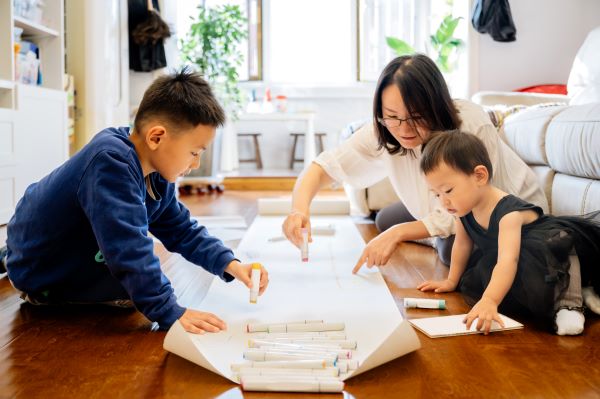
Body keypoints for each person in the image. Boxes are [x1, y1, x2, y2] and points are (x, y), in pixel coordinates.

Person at [0, 70, 269, 334]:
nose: (195, 164)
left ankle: (9, 255)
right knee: (133, 286)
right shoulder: (111, 162)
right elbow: (129, 249)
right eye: (193, 153)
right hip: (39, 269)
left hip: (56, 244)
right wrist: (170, 311)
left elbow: (180, 229)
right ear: (156, 137)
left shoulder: (155, 171)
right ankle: (14, 261)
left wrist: (231, 264)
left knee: (136, 287)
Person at [282, 54, 548, 270]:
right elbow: (323, 167)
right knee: (386, 219)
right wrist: (298, 211)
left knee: (450, 250)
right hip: (446, 206)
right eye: (392, 116)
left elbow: (478, 204)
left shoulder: (469, 123)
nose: (404, 128)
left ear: (437, 105)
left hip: (494, 214)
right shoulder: (383, 128)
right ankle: (428, 230)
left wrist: (399, 233)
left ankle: (433, 235)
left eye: (417, 116)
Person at [417, 131, 600, 335]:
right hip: (517, 259)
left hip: (545, 245)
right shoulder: (464, 211)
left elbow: (507, 261)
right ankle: (573, 292)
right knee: (517, 286)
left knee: (562, 247)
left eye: (448, 191)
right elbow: (462, 244)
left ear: (479, 176)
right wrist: (451, 281)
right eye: (437, 194)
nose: (443, 201)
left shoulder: (508, 213)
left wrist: (489, 300)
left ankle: (571, 302)